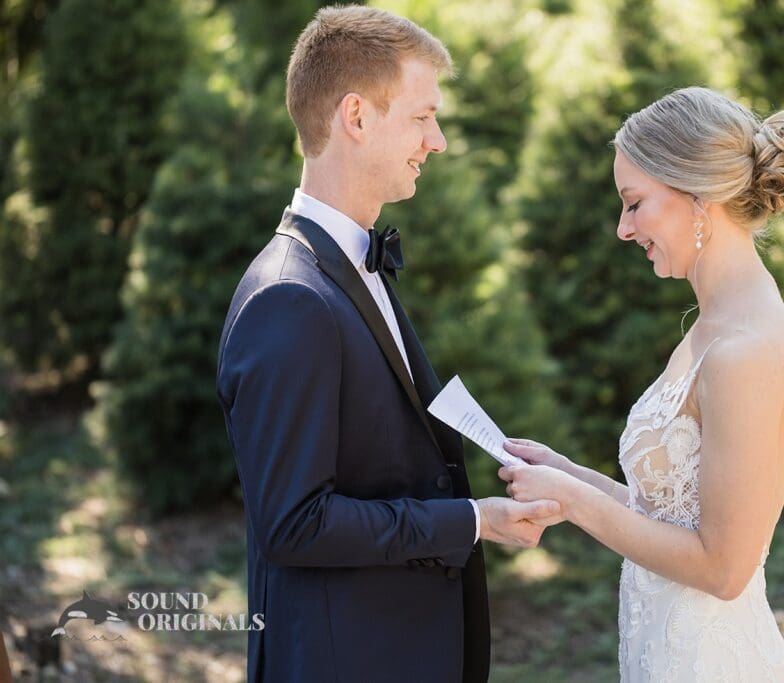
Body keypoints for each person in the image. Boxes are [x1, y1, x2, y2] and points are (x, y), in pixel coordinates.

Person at [215, 6, 560, 682]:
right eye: (422, 116)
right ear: (356, 116)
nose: (438, 141)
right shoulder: (289, 297)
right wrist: (470, 520)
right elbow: (295, 524)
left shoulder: (346, 265)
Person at [500, 86, 784, 681]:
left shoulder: (743, 349)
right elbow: (674, 519)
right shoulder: (714, 323)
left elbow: (724, 569)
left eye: (634, 203)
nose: (623, 228)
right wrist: (569, 474)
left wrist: (576, 502)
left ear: (698, 198)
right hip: (666, 653)